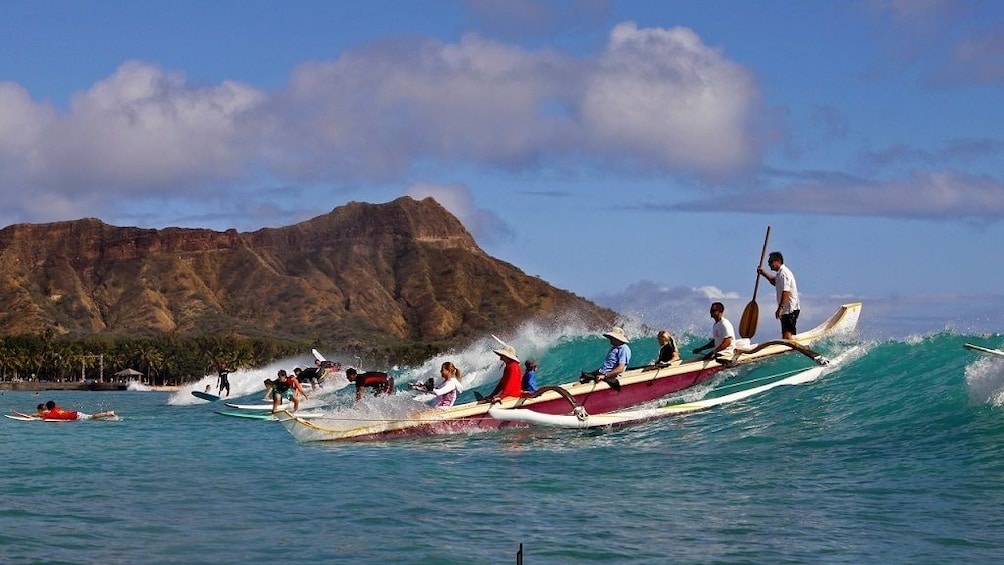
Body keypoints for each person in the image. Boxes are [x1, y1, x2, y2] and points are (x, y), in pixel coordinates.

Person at [757, 251, 801, 340]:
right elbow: (775, 282)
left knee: (788, 335)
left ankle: (792, 350)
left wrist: (780, 308)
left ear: (778, 261)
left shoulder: (784, 273)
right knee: (785, 334)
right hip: (786, 310)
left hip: (790, 309)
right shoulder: (780, 273)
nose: (769, 265)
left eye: (770, 262)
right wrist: (764, 274)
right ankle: (787, 350)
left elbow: (786, 291)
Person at [40, 400, 116, 420]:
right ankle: (108, 415)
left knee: (92, 417)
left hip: (76, 416)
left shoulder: (52, 413)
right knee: (92, 417)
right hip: (76, 414)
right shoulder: (57, 409)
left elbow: (45, 417)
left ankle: (108, 413)